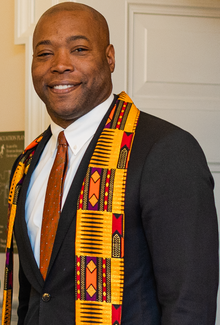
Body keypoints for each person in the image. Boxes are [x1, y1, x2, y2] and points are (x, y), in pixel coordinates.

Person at [2, 2, 218, 325]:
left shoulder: (165, 150)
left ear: (110, 57)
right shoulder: (27, 164)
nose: (60, 65)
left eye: (78, 49)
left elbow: (188, 307)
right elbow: (36, 296)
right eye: (44, 53)